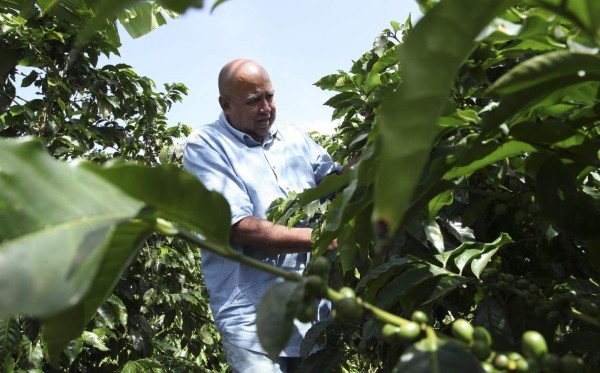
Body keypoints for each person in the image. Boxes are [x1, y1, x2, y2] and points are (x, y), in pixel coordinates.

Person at [183, 59, 344, 372]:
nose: (266, 108)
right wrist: (321, 239)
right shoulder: (206, 145)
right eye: (253, 101)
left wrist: (374, 154)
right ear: (225, 104)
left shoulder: (294, 137)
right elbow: (239, 228)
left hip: (312, 318)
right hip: (252, 321)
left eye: (269, 97)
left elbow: (334, 184)